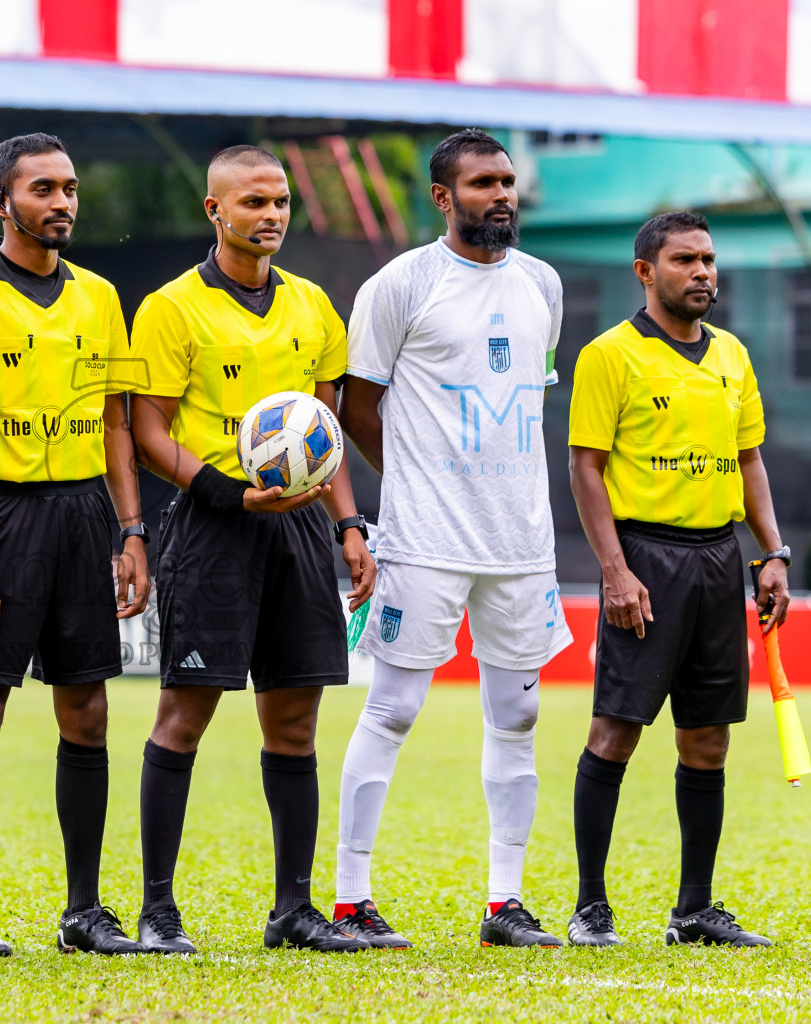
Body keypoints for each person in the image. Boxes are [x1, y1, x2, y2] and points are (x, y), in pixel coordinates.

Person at [129, 145, 374, 954]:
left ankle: (293, 912)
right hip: (213, 524)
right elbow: (148, 429)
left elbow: (326, 434)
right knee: (186, 712)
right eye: (253, 202)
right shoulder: (170, 308)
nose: (270, 215)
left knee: (295, 718)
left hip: (301, 528)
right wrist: (228, 493)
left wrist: (348, 527)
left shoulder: (313, 306)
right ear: (215, 211)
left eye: (280, 202)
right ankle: (159, 911)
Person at [336, 128, 570, 949]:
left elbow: (524, 396)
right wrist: (414, 478)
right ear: (444, 197)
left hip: (520, 545)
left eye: (507, 181)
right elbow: (356, 405)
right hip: (426, 538)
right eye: (482, 183)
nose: (501, 194)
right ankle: (351, 900)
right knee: (393, 709)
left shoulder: (543, 282)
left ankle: (504, 904)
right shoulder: (401, 284)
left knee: (518, 716)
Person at [0, 133, 150, 956]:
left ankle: (84, 913)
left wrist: (131, 531)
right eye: (43, 190)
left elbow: (115, 422)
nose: (62, 202)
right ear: (1, 203)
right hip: (3, 518)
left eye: (69, 188)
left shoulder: (100, 295)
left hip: (86, 515)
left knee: (87, 710)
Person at [566, 211, 787, 948]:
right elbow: (585, 467)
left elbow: (750, 460)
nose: (702, 272)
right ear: (645, 271)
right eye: (686, 260)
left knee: (708, 741)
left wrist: (774, 552)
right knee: (616, 730)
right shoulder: (610, 354)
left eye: (709, 260)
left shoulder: (732, 356)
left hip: (720, 558)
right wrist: (616, 571)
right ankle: (591, 907)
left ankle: (694, 911)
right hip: (646, 560)